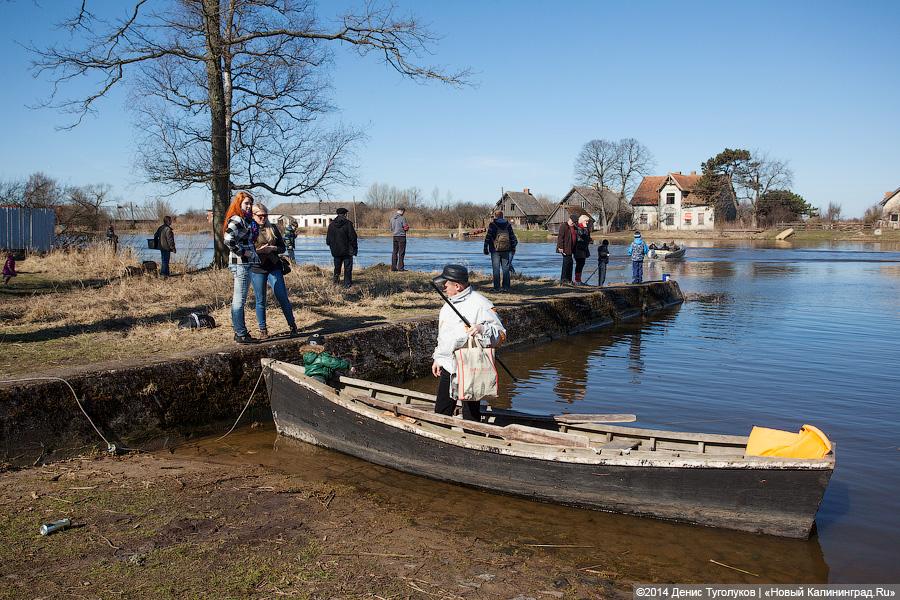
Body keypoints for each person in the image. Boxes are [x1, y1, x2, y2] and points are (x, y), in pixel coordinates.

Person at [431, 264, 506, 422]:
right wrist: (438, 357)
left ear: (457, 286)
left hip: (471, 365)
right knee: (441, 409)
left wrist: (482, 329)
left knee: (471, 411)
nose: (443, 287)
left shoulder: (481, 304)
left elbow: (501, 335)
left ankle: (472, 436)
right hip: (448, 365)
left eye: (445, 284)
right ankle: (439, 434)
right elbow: (444, 335)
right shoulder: (447, 304)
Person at [250, 203, 299, 339]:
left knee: (282, 296)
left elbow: (282, 248)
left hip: (273, 266)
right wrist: (259, 251)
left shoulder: (273, 228)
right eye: (260, 216)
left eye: (265, 215)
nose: (263, 218)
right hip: (257, 268)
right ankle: (263, 330)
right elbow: (245, 251)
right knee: (260, 300)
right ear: (253, 215)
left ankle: (292, 325)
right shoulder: (249, 229)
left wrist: (273, 249)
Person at [223, 191, 259, 344]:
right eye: (246, 203)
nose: (249, 206)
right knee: (239, 300)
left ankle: (240, 332)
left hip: (243, 263)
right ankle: (241, 334)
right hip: (241, 264)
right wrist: (244, 252)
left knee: (239, 299)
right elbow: (228, 240)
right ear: (239, 204)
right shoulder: (237, 219)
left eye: (251, 203)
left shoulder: (244, 219)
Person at [483, 209, 518, 292]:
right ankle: (506, 287)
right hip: (506, 250)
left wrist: (485, 248)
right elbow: (512, 237)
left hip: (494, 250)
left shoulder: (492, 225)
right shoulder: (508, 225)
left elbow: (488, 237)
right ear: (502, 216)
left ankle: (497, 288)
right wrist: (513, 249)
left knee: (496, 269)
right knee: (505, 269)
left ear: (495, 216)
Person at [325, 207, 358, 288]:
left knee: (337, 268)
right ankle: (347, 285)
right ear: (345, 214)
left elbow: (328, 240)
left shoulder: (331, 225)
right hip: (347, 251)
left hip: (336, 251)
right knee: (348, 268)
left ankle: (335, 283)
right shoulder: (348, 224)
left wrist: (332, 246)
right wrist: (355, 248)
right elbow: (353, 237)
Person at [556, 210, 579, 285]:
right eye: (573, 221)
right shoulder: (564, 226)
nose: (574, 223)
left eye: (575, 222)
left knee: (570, 263)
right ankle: (563, 280)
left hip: (571, 248)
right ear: (570, 219)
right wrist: (560, 247)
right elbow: (560, 237)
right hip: (565, 248)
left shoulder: (574, 227)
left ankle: (569, 280)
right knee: (566, 263)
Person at [573, 214, 592, 285]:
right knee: (579, 264)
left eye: (587, 221)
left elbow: (587, 238)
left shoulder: (586, 229)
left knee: (582, 264)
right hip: (578, 249)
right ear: (582, 221)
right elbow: (582, 236)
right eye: (586, 221)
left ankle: (579, 280)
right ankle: (577, 281)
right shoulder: (578, 228)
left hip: (584, 249)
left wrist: (589, 239)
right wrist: (588, 238)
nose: (587, 222)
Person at [389, 207, 409, 271]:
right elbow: (406, 228)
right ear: (402, 211)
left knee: (394, 252)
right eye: (404, 212)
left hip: (394, 236)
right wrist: (407, 228)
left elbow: (391, 228)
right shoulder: (402, 218)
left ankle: (393, 268)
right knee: (401, 252)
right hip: (401, 237)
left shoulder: (392, 218)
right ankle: (400, 268)